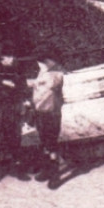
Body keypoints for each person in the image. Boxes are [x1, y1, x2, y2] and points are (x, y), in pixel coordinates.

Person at [0, 47, 30, 184]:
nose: (10, 60)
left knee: (14, 138)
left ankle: (16, 169)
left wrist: (19, 93)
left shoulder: (18, 71)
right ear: (1, 58)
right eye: (6, 57)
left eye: (11, 57)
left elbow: (23, 88)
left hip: (13, 109)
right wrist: (2, 83)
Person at [30, 58, 65, 186]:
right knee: (44, 141)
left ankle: (55, 175)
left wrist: (36, 82)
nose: (39, 64)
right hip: (40, 111)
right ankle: (47, 169)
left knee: (51, 144)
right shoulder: (42, 72)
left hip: (52, 112)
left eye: (42, 62)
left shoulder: (55, 73)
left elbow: (49, 83)